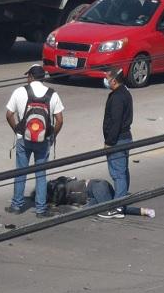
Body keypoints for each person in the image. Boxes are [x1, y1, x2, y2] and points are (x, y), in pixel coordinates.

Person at [5, 64, 64, 218]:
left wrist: (18, 129)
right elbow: (59, 120)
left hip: (23, 139)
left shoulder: (19, 91)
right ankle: (40, 209)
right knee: (41, 175)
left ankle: (17, 205)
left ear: (31, 77)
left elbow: (9, 114)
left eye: (28, 76)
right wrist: (52, 136)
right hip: (43, 141)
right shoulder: (53, 94)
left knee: (21, 172)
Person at [102, 67, 133, 219]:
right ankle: (122, 200)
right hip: (125, 138)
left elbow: (115, 122)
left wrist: (109, 142)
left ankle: (118, 207)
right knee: (123, 171)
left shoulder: (117, 98)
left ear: (114, 80)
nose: (106, 80)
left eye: (107, 78)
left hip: (118, 140)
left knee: (118, 173)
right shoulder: (125, 93)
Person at [47, 176, 155, 219]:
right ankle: (145, 211)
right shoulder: (62, 194)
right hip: (93, 196)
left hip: (95, 186)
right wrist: (143, 211)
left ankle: (109, 211)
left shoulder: (63, 186)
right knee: (93, 209)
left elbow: (66, 181)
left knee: (109, 208)